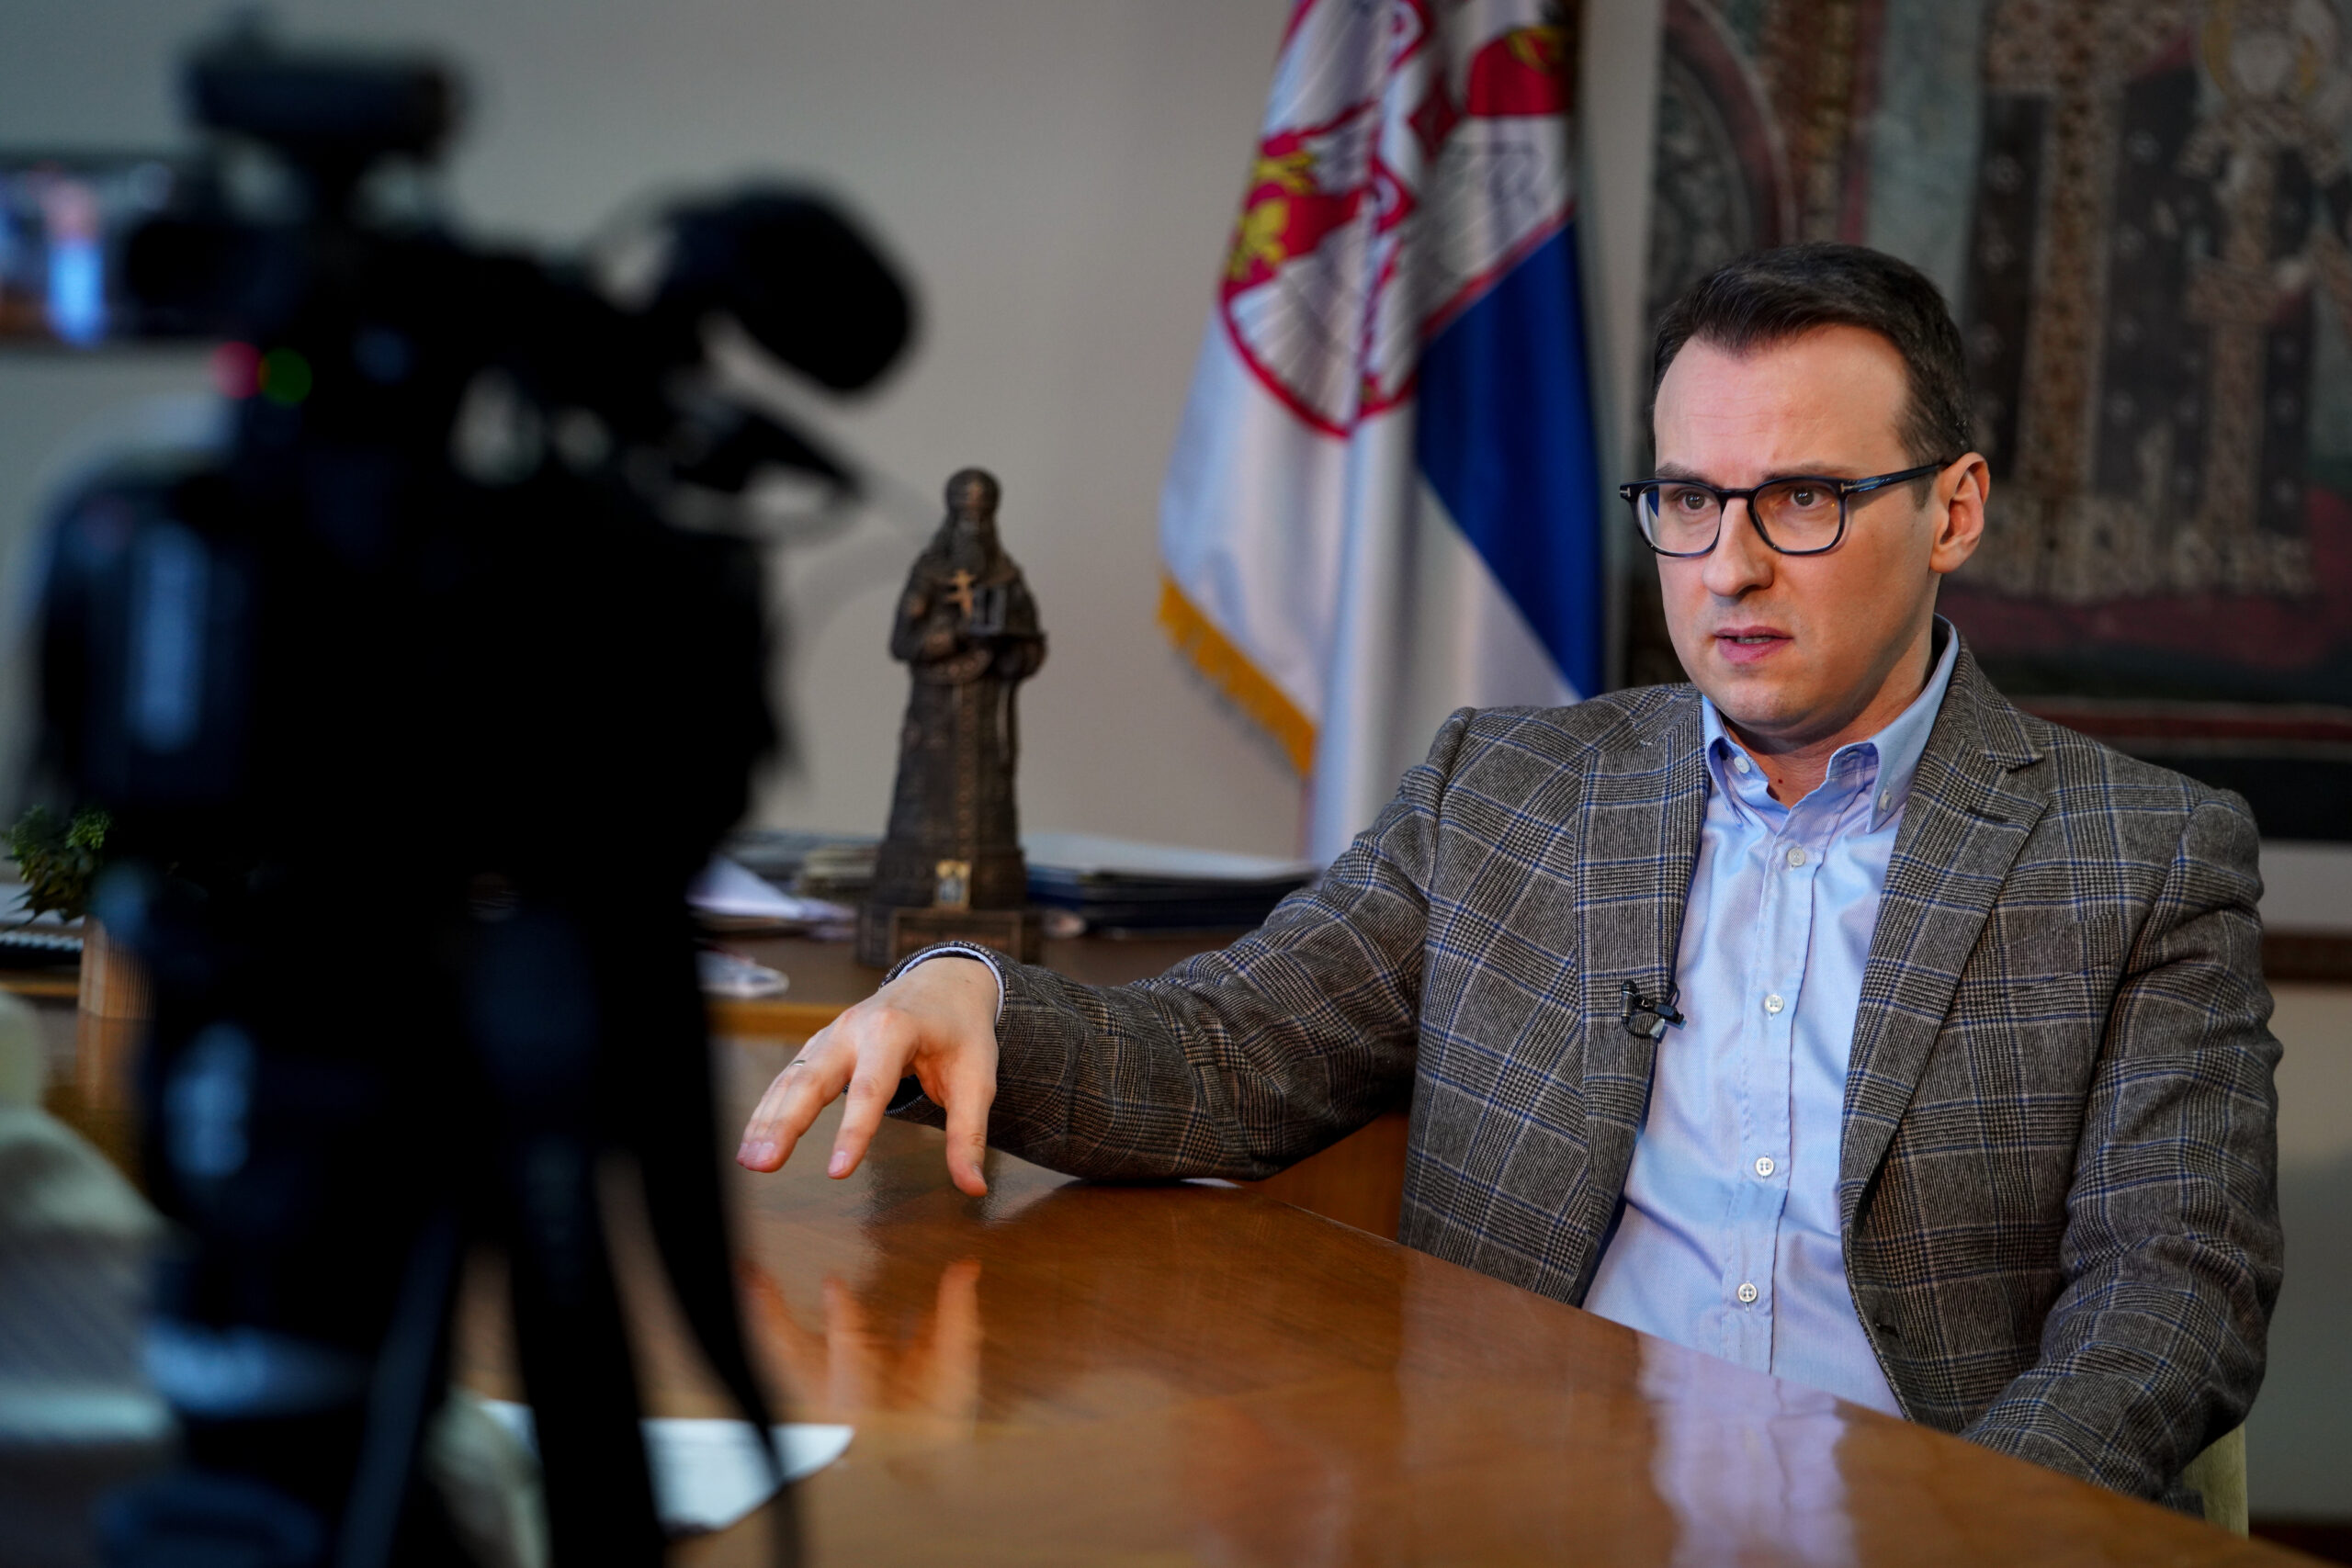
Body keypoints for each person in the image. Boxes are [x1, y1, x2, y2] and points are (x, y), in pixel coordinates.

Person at [737, 243, 2282, 1511]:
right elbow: (1221, 1054)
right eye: (1689, 500)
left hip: (1924, 1523)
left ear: (1953, 509)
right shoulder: (1507, 792)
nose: (1730, 565)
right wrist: (971, 1000)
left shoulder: (2141, 856)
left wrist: (1976, 1536)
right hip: (1521, 1507)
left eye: (1803, 499)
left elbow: (2173, 1294)